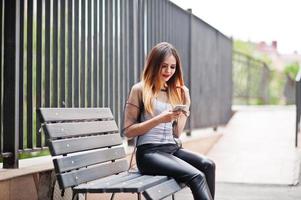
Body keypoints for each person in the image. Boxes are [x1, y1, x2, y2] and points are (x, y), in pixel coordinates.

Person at [123, 42, 215, 200]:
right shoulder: (139, 89)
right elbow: (128, 132)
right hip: (149, 154)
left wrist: (186, 105)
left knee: (208, 165)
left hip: (171, 149)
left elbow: (177, 133)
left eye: (172, 67)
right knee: (196, 176)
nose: (168, 71)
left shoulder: (173, 91)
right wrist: (160, 119)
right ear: (154, 65)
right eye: (164, 66)